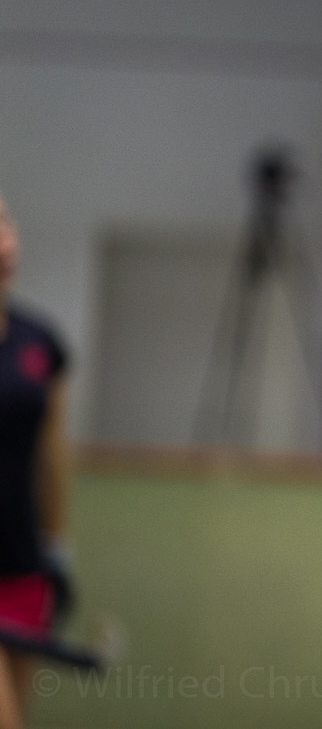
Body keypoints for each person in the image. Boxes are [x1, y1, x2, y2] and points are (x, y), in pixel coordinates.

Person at [0, 191, 74, 729]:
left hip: (23, 561)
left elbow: (53, 457)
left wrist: (57, 549)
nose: (4, 242)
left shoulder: (39, 340)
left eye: (6, 224)